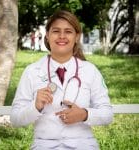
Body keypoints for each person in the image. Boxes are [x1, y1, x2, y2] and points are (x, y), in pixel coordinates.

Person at [10, 10, 113, 150]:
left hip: (83, 144)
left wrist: (84, 114)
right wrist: (35, 106)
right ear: (47, 35)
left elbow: (107, 114)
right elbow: (15, 119)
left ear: (77, 36)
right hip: (44, 145)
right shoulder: (32, 71)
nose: (62, 36)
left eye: (68, 31)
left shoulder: (90, 71)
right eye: (56, 31)